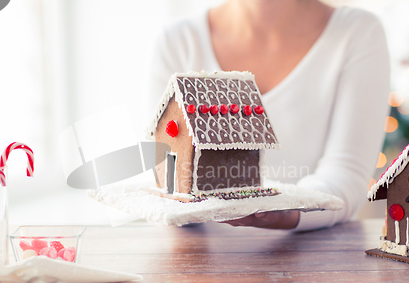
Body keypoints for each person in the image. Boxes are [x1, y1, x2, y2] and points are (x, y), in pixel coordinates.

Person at [146, 0, 390, 231]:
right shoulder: (177, 40)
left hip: (313, 257)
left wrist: (288, 210)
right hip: (194, 256)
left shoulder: (357, 32)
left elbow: (346, 172)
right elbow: (159, 161)